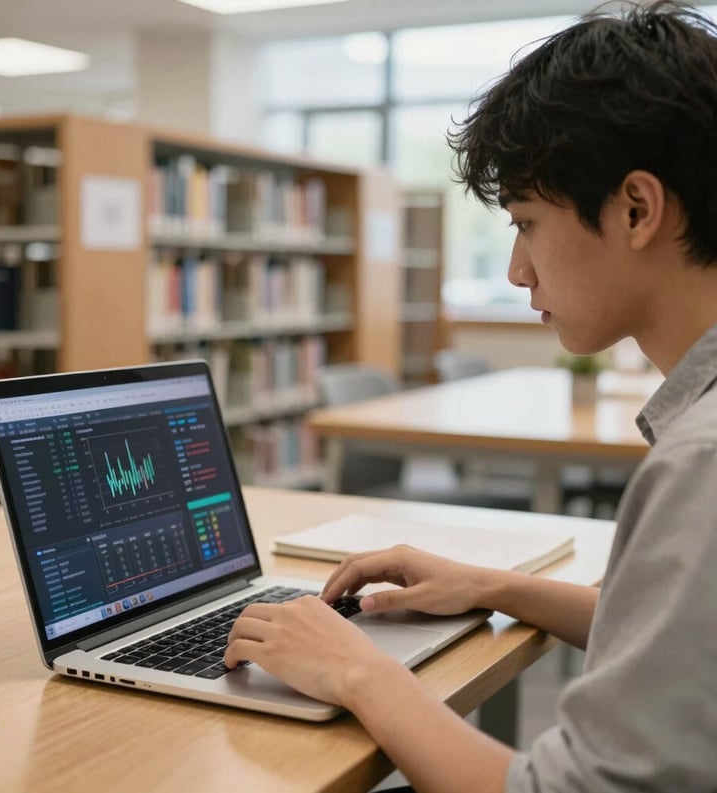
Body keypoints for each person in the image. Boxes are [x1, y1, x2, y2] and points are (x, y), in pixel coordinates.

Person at [225, 1, 717, 790]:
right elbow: (683, 639)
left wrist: (358, 672)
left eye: (526, 222)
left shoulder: (703, 462)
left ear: (636, 208)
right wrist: (494, 586)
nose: (518, 270)